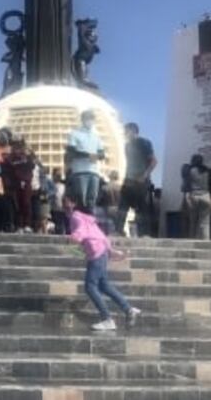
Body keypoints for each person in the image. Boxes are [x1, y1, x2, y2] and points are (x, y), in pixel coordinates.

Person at [64, 192, 141, 332]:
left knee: (90, 286)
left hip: (96, 254)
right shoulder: (87, 218)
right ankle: (128, 309)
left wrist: (74, 237)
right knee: (104, 286)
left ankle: (107, 319)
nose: (64, 204)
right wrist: (111, 250)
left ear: (74, 203)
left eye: (67, 201)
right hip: (101, 252)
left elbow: (81, 231)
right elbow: (100, 235)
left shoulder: (76, 217)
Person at [118, 123, 156, 237]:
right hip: (128, 180)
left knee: (142, 208)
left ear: (134, 131)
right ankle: (119, 231)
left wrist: (144, 176)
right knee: (122, 206)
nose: (125, 133)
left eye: (127, 131)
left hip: (141, 182)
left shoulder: (144, 143)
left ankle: (144, 233)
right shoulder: (127, 146)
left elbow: (154, 161)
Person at [66, 109, 103, 211]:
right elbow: (71, 152)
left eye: (92, 118)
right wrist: (89, 155)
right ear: (82, 119)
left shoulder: (96, 136)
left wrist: (94, 156)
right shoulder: (74, 134)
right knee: (80, 199)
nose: (90, 121)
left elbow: (102, 154)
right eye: (88, 118)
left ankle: (89, 223)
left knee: (92, 200)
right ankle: (81, 223)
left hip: (94, 172)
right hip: (80, 172)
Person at [6, 138, 36, 232]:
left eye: (19, 146)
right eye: (16, 146)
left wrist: (27, 155)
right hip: (15, 182)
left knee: (26, 203)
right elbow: (9, 165)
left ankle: (27, 224)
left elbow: (32, 165)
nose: (18, 148)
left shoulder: (28, 156)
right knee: (17, 204)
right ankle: (19, 225)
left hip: (26, 182)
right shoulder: (12, 157)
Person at [181, 154, 211, 240]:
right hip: (206, 196)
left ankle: (192, 241)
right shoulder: (207, 171)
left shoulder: (190, 170)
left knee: (193, 221)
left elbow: (187, 184)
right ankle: (206, 242)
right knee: (205, 223)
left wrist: (187, 197)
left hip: (194, 196)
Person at [95, 171, 122, 235]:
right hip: (118, 209)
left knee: (108, 225)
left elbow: (99, 200)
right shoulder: (121, 187)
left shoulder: (104, 187)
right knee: (117, 226)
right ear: (117, 177)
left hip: (108, 208)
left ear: (110, 177)